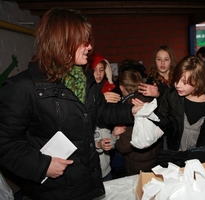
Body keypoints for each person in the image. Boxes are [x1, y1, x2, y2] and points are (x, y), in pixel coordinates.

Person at [0, 8, 142, 200]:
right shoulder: (23, 87)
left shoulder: (86, 80)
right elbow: (5, 144)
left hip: (88, 182)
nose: (89, 47)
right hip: (55, 190)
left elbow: (101, 111)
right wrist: (43, 165)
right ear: (62, 41)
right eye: (83, 41)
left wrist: (131, 110)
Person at [153, 55, 205, 151]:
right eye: (176, 80)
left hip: (200, 158)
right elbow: (165, 122)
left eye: (185, 82)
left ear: (199, 81)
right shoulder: (172, 96)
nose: (177, 85)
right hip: (176, 154)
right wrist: (150, 114)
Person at [115, 70, 162, 175]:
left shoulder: (128, 108)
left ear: (121, 87)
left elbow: (124, 146)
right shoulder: (149, 99)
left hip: (137, 164)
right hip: (154, 157)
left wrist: (115, 138)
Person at [90, 54, 125, 181]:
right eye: (94, 70)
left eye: (101, 70)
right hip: (92, 149)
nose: (98, 74)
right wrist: (101, 100)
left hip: (109, 140)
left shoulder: (111, 88)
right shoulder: (86, 91)